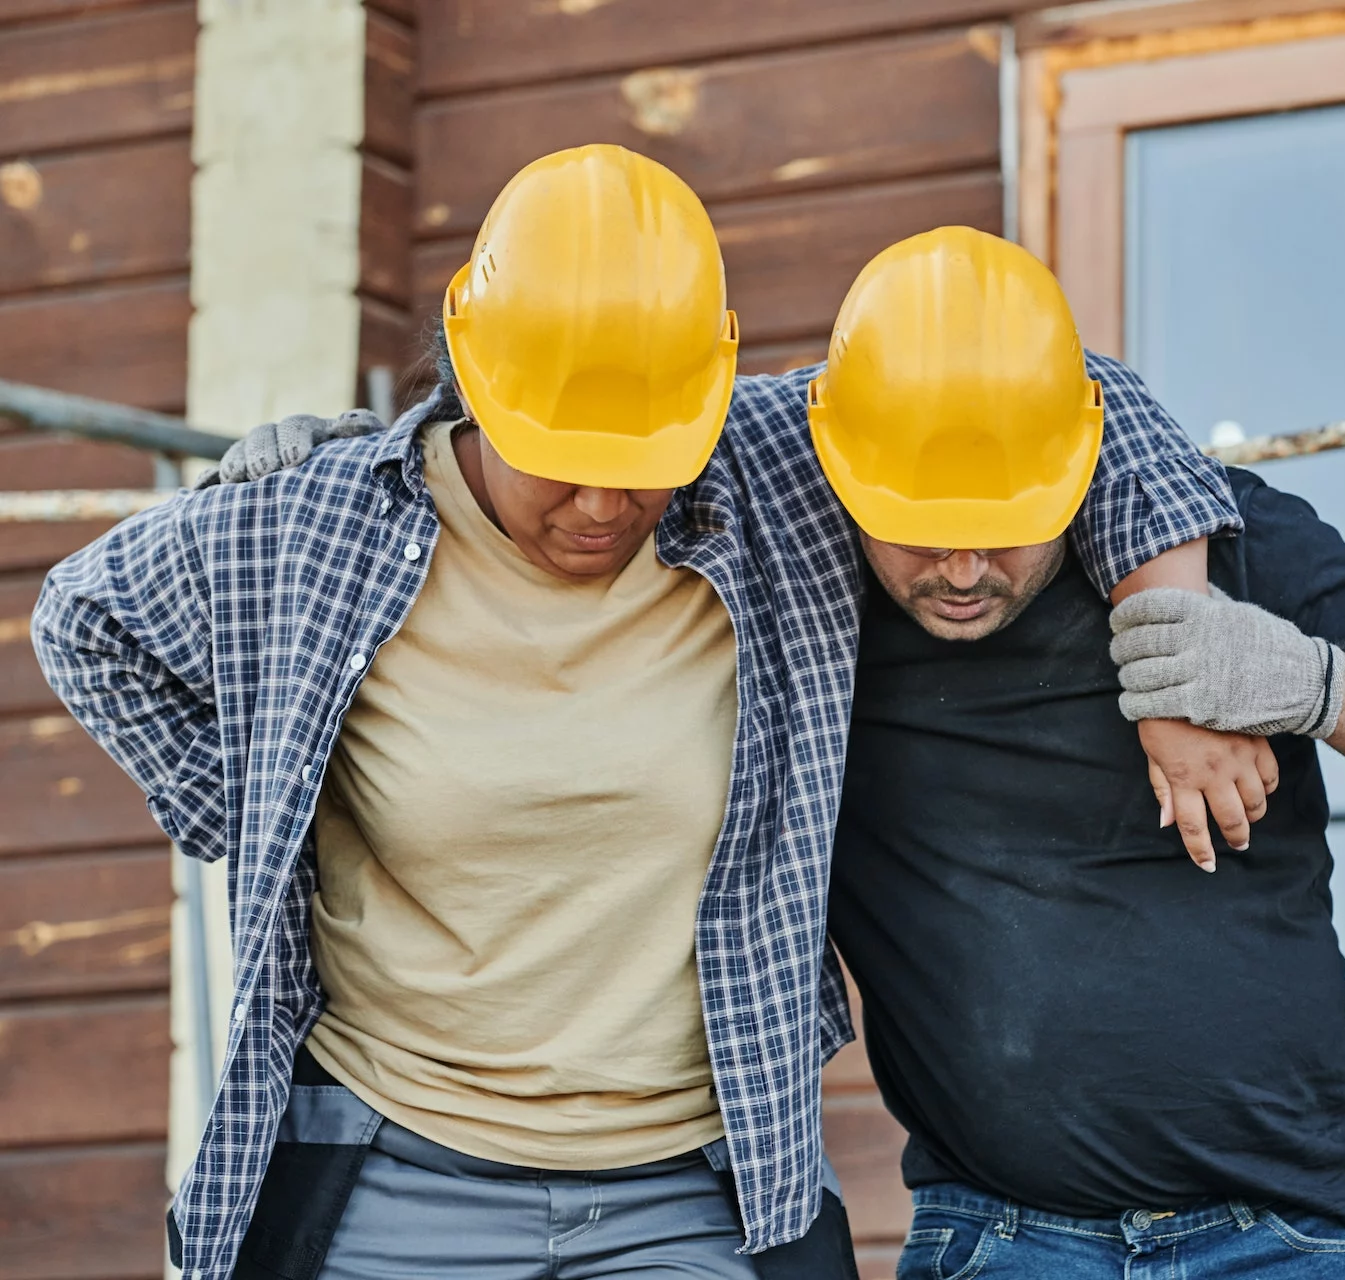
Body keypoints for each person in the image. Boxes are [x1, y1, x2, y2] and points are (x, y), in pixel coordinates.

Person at [32, 151, 1243, 1280]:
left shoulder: (765, 471)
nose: (605, 500)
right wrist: (269, 819)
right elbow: (82, 619)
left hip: (691, 1187)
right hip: (395, 1174)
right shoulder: (322, 522)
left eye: (646, 453)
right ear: (476, 382)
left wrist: (1177, 662)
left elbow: (1084, 396)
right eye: (557, 453)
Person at [804, 231, 1345, 1276]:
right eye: (919, 527)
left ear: (1073, 455)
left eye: (1003, 521)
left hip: (1290, 1232)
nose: (962, 566)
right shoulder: (819, 607)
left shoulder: (1229, 540)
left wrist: (1309, 680)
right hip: (1003, 1237)